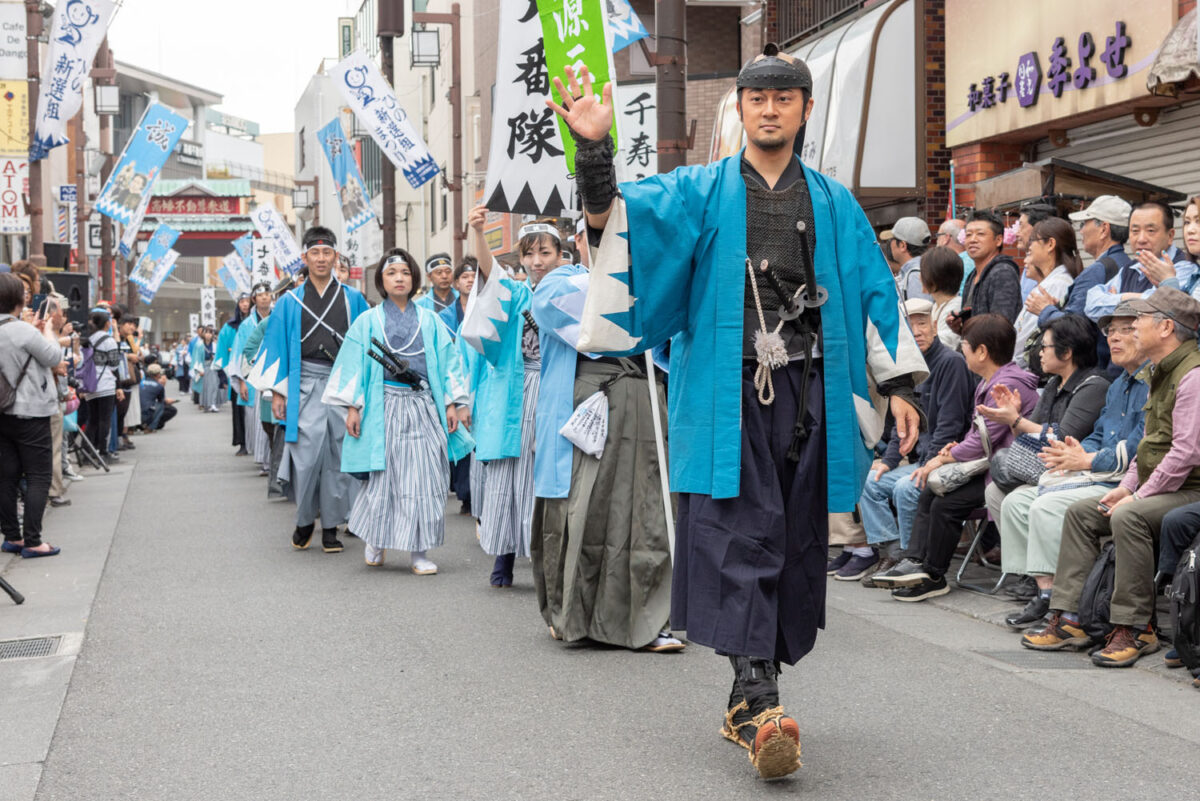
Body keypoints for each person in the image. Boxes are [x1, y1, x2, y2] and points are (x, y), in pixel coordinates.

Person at [548, 46, 927, 778]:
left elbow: (877, 296)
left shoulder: (836, 202)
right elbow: (617, 224)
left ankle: (751, 686)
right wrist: (594, 150)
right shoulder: (697, 190)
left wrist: (902, 384)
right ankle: (758, 693)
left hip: (809, 387)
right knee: (736, 525)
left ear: (806, 110)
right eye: (759, 97)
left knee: (789, 533)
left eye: (785, 97)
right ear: (741, 109)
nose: (771, 107)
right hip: (729, 388)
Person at [473, 209, 685, 653]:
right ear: (581, 242)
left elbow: (668, 342)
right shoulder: (559, 283)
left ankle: (646, 619)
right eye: (599, 236)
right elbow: (597, 331)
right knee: (586, 504)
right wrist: (641, 311)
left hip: (642, 400)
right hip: (588, 402)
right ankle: (576, 614)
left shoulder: (643, 282)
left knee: (644, 508)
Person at [1022, 287, 1200, 667]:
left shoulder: (1192, 375)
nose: (1132, 327)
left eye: (1141, 321)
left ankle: (1137, 627)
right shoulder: (1159, 372)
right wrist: (1125, 487)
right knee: (1084, 512)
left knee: (1128, 515)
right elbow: (1149, 447)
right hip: (1163, 486)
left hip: (1190, 489)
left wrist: (1138, 496)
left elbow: (1185, 454)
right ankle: (1071, 617)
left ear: (1166, 327)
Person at [324, 249, 472, 574]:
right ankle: (377, 538)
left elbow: (448, 363)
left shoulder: (430, 320)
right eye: (392, 273)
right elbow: (354, 366)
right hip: (383, 405)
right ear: (382, 281)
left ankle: (419, 551)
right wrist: (353, 408)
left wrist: (450, 402)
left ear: (414, 278)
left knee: (425, 477)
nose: (400, 278)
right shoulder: (368, 321)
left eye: (405, 272)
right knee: (384, 479)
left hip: (423, 405)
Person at [997, 313, 1148, 628]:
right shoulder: (1118, 383)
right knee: (1016, 502)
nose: (1114, 337)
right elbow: (1097, 433)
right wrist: (1076, 450)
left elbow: (1139, 448)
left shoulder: (1148, 383)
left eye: (1126, 329)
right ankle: (1045, 593)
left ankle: (1065, 605)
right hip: (1098, 473)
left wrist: (1087, 459)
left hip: (1124, 481)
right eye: (1111, 331)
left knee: (1045, 505)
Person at [873, 314, 1038, 600]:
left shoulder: (1008, 384)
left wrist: (944, 458)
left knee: (946, 502)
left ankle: (933, 573)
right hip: (989, 467)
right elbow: (980, 437)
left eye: (966, 345)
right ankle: (916, 563)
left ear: (982, 352)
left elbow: (988, 438)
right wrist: (954, 451)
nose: (962, 349)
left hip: (1006, 473)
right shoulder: (991, 381)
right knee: (930, 493)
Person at [247, 226, 370, 554]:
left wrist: (360, 395)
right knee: (306, 456)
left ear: (335, 256)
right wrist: (278, 393)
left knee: (338, 456)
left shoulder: (353, 298)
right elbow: (275, 347)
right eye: (314, 253)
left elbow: (363, 347)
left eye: (326, 252)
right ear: (304, 258)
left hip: (341, 383)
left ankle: (330, 527)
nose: (320, 258)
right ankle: (304, 519)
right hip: (303, 383)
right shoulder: (288, 302)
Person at [461, 220, 558, 587]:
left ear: (559, 255)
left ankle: (545, 557)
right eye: (530, 253)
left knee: (543, 473)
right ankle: (503, 554)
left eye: (545, 252)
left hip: (554, 387)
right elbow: (491, 272)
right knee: (507, 470)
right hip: (515, 388)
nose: (537, 261)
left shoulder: (574, 288)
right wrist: (478, 233)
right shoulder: (517, 295)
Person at [855, 298, 973, 581]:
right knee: (869, 483)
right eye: (910, 324)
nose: (917, 330)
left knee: (907, 488)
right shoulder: (908, 367)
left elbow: (950, 425)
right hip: (919, 458)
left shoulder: (951, 363)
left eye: (922, 323)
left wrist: (929, 464)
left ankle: (912, 557)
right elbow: (902, 424)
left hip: (946, 458)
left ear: (934, 326)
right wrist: (891, 460)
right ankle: (891, 553)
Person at [0, 272, 64, 558]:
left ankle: (12, 537)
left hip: (2, 411)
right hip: (31, 411)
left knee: (7, 476)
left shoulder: (18, 330)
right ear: (19, 299)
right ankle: (34, 541)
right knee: (38, 475)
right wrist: (48, 328)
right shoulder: (22, 331)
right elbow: (53, 357)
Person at [1086, 201, 1198, 323]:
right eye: (1135, 231)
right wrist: (1129, 297)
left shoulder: (1185, 266)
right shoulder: (1129, 268)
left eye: (1150, 230)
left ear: (1170, 236)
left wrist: (1115, 299)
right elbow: (1091, 304)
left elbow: (1162, 309)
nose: (1141, 239)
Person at [1014, 217, 1081, 369]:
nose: (1029, 246)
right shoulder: (1050, 282)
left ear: (1050, 244)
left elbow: (1026, 337)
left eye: (1033, 240)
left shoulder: (1057, 284)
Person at [438, 258, 477, 514]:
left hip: (480, 374)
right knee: (461, 430)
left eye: (475, 276)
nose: (470, 280)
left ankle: (477, 490)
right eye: (465, 276)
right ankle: (465, 492)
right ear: (456, 283)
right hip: (456, 375)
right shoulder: (445, 316)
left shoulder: (488, 308)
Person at [950, 210, 1022, 333]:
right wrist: (959, 328)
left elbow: (1001, 327)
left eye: (980, 234)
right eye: (968, 234)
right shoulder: (973, 275)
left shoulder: (1003, 273)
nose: (972, 239)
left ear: (998, 240)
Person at [229, 282, 274, 475]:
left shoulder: (278, 316)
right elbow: (241, 352)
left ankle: (273, 459)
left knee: (274, 417)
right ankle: (265, 460)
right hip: (254, 375)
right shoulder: (247, 324)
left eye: (267, 294)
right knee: (259, 418)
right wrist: (242, 381)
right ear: (254, 298)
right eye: (260, 295)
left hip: (274, 371)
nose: (265, 297)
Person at [79, 308, 122, 462]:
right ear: (107, 324)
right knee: (105, 419)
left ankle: (86, 451)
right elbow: (114, 364)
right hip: (105, 384)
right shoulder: (108, 340)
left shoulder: (86, 339)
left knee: (93, 419)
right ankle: (103, 451)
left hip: (90, 384)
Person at [216, 294, 254, 454]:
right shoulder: (229, 327)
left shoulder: (257, 323)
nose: (245, 305)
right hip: (236, 372)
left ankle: (256, 444)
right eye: (242, 302)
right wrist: (225, 375)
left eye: (248, 301)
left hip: (254, 370)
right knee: (239, 409)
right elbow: (221, 353)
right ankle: (242, 443)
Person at [919, 245, 964, 350]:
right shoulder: (936, 305)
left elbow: (946, 344)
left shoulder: (955, 309)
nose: (919, 277)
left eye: (922, 272)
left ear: (934, 281)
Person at [881, 217, 932, 303]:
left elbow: (919, 315)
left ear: (902, 246)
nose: (889, 244)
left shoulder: (916, 275)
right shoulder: (923, 269)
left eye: (892, 239)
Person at [1015, 204, 1055, 300]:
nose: (1017, 233)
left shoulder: (1047, 268)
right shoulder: (1030, 264)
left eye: (1021, 226)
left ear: (1038, 227)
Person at [935, 218, 973, 293]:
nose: (936, 240)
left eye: (938, 235)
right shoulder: (974, 260)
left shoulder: (955, 266)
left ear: (946, 238)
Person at [139, 363, 177, 431]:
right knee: (163, 405)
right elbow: (161, 400)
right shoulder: (158, 386)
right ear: (158, 375)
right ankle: (150, 427)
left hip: (137, 414)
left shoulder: (140, 383)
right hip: (146, 414)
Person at [195, 327, 222, 413]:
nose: (208, 335)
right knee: (204, 387)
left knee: (214, 385)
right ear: (203, 334)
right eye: (206, 333)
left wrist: (215, 358)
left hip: (212, 367)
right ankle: (205, 404)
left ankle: (213, 404)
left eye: (210, 333)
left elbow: (219, 356)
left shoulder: (215, 345)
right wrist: (199, 370)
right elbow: (196, 358)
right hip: (203, 367)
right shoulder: (199, 345)